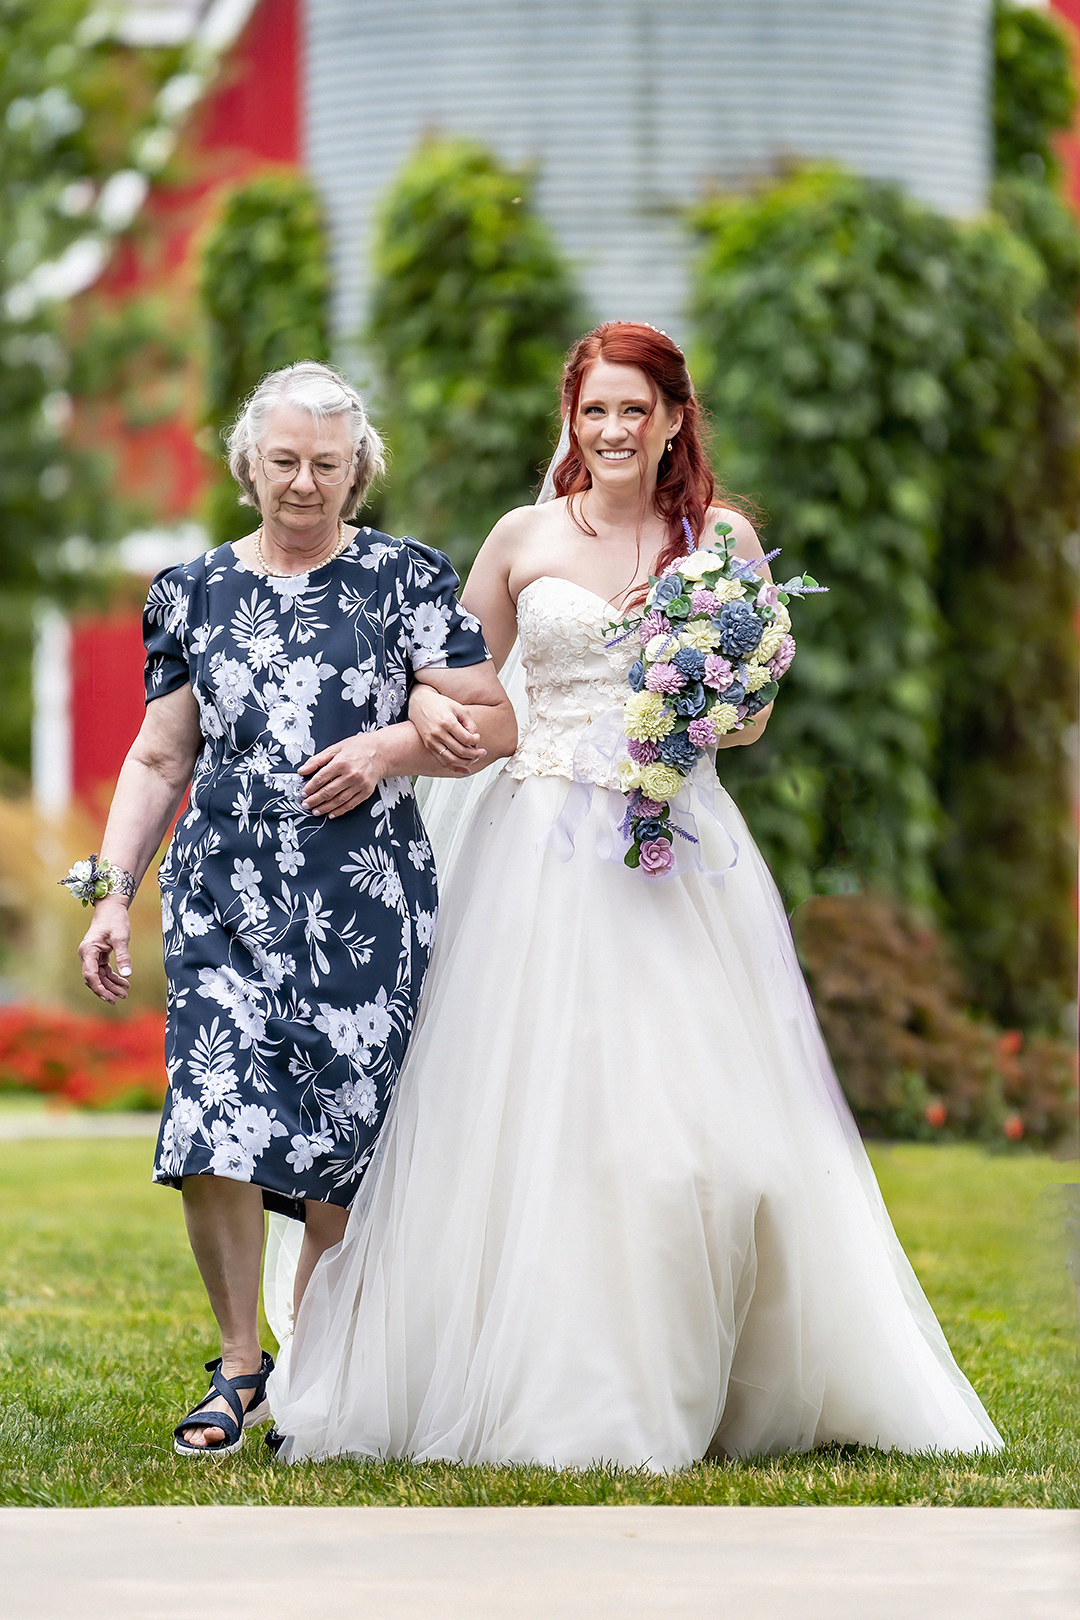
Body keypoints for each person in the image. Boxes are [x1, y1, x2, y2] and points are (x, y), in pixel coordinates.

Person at [265, 324, 1002, 1468]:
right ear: (573, 417)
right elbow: (462, 696)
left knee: (710, 1149)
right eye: (594, 410)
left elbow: (747, 716)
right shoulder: (520, 539)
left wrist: (720, 689)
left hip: (682, 857)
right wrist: (409, 737)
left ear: (671, 420)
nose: (612, 431)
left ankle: (726, 1377)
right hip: (539, 861)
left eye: (634, 411)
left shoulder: (723, 542)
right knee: (533, 1132)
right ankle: (555, 1384)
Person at [75, 360, 516, 1456]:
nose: (305, 483)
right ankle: (238, 1366)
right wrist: (105, 892)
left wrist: (390, 746)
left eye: (327, 463)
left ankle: (312, 1377)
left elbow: (493, 723)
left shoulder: (407, 581)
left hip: (364, 896)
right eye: (284, 462)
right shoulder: (190, 593)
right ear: (248, 466)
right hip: (222, 889)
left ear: (357, 470)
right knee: (211, 1118)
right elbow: (157, 753)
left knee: (341, 1144)